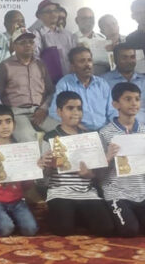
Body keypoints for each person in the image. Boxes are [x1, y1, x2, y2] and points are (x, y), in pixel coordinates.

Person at [98, 82, 145, 238]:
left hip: (142, 192)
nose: (134, 103)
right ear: (116, 104)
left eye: (137, 99)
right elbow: (98, 173)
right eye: (128, 99)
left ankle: (137, 217)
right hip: (116, 192)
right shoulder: (105, 132)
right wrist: (108, 157)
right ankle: (126, 217)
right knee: (129, 231)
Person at [42, 91, 115, 237]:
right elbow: (44, 178)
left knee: (106, 229)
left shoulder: (90, 137)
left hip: (87, 192)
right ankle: (70, 215)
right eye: (70, 108)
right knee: (63, 230)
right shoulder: (50, 137)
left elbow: (98, 175)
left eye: (79, 108)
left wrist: (90, 174)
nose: (76, 112)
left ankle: (76, 215)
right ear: (59, 111)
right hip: (60, 192)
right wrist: (46, 166)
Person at [0, 105, 40, 237]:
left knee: (31, 229)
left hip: (17, 199)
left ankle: (7, 219)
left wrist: (32, 171)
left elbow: (27, 185)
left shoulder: (21, 150)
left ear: (14, 124)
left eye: (8, 121)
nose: (5, 126)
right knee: (5, 229)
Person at [0, 28, 55, 142]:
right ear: (14, 46)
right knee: (29, 139)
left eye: (31, 42)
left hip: (40, 111)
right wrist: (7, 117)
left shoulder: (40, 64)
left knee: (61, 132)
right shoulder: (4, 66)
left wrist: (43, 108)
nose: (28, 45)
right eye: (22, 43)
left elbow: (51, 91)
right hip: (16, 114)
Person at [50, 47, 115, 131]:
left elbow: (112, 111)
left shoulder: (102, 83)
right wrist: (75, 125)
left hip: (105, 130)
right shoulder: (65, 84)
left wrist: (113, 127)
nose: (87, 64)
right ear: (73, 66)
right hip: (79, 131)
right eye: (82, 61)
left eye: (89, 60)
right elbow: (54, 111)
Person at [102, 43, 145, 125]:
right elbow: (100, 110)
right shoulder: (103, 82)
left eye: (132, 57)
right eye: (124, 58)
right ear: (115, 59)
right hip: (113, 129)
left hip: (142, 129)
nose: (129, 61)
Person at [29, 0, 77, 78]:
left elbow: (75, 56)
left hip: (70, 79)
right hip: (50, 80)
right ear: (40, 16)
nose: (53, 14)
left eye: (55, 11)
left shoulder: (67, 34)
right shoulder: (37, 35)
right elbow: (35, 59)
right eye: (48, 11)